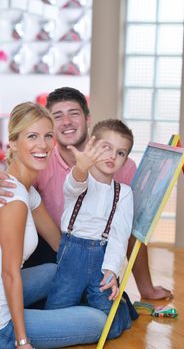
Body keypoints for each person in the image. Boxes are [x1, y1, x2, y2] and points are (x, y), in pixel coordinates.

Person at [0, 87, 172, 300]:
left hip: (96, 253)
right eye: (57, 116)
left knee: (114, 305)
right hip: (44, 251)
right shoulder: (41, 159)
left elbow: (131, 232)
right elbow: (12, 173)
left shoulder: (121, 166)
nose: (67, 122)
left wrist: (146, 288)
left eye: (73, 113)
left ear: (88, 118)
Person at [0, 102, 110, 349]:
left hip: (5, 286)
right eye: (32, 136)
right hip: (2, 321)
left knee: (54, 270)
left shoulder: (26, 190)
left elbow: (60, 244)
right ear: (13, 143)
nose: (42, 145)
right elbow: (9, 273)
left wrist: (104, 271)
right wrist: (21, 340)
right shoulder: (13, 198)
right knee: (98, 321)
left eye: (48, 136)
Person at [45, 119, 134, 338]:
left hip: (101, 260)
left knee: (111, 327)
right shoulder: (80, 179)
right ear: (91, 148)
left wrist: (111, 270)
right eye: (106, 148)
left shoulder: (124, 193)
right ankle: (80, 315)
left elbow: (119, 237)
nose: (113, 156)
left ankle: (119, 309)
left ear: (125, 160)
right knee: (55, 311)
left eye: (121, 153)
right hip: (71, 255)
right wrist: (81, 167)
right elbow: (75, 184)